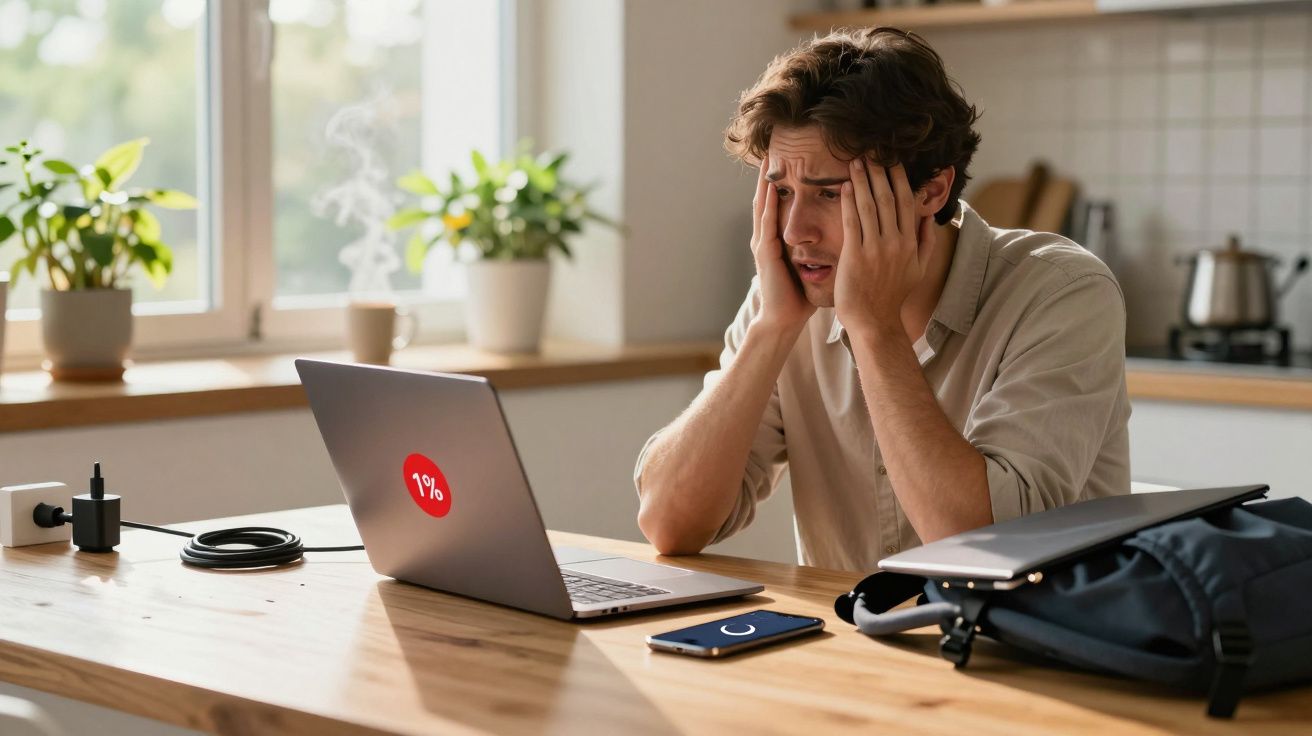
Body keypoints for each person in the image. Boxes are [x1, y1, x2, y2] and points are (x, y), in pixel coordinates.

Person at [632, 27, 1131, 572]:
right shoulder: (788, 295)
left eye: (829, 193)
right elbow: (668, 524)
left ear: (932, 190)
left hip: (1025, 652)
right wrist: (771, 327)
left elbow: (987, 550)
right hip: (855, 652)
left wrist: (874, 328)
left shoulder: (1063, 294)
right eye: (781, 192)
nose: (795, 231)